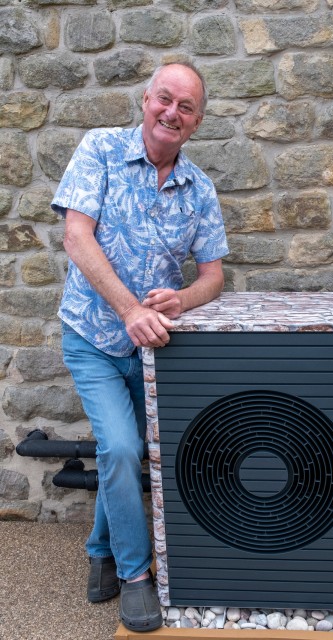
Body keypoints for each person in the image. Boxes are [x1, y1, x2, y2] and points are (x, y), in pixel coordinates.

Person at [52, 61, 228, 632]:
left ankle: (100, 549)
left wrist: (184, 298)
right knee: (125, 450)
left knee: (121, 451)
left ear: (196, 123)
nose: (171, 113)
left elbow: (213, 277)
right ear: (145, 99)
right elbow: (76, 236)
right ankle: (134, 575)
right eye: (164, 99)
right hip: (94, 338)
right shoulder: (99, 149)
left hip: (153, 350)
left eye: (186, 108)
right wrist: (129, 309)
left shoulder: (198, 188)